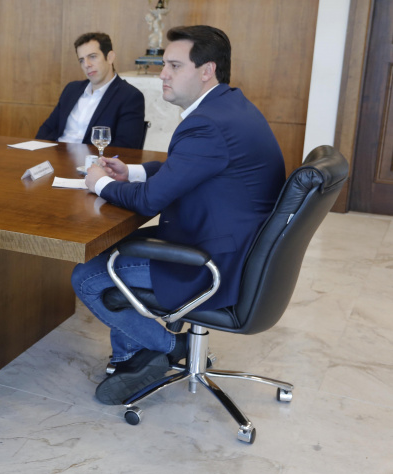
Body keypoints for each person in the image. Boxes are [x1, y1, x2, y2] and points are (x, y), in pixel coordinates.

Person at [74, 26, 285, 405]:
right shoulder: (228, 107)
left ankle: (169, 346)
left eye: (174, 65)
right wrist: (131, 172)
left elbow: (150, 201)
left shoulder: (207, 124)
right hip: (234, 244)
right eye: (164, 65)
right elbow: (187, 169)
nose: (162, 75)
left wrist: (98, 183)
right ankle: (131, 358)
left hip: (213, 262)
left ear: (207, 70)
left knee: (87, 276)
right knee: (111, 248)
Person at [36, 32, 146, 148]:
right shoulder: (71, 89)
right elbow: (47, 129)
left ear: (110, 57)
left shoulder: (130, 96)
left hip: (92, 158)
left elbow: (126, 147)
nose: (86, 65)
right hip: (56, 154)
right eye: (81, 60)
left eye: (92, 57)